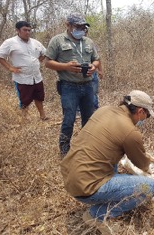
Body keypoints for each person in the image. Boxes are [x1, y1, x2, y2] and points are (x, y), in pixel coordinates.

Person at [60, 90, 154, 234]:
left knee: (112, 152)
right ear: (140, 111)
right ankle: (96, 215)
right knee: (149, 187)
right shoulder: (130, 132)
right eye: (147, 116)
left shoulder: (103, 110)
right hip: (86, 188)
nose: (145, 119)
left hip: (69, 177)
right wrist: (150, 161)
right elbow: (143, 165)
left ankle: (103, 195)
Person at [44, 12, 100, 156]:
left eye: (83, 27)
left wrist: (94, 67)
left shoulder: (88, 42)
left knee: (89, 119)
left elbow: (96, 59)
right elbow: (48, 62)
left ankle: (86, 148)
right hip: (69, 87)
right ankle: (64, 150)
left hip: (88, 86)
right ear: (67, 25)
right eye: (77, 26)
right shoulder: (57, 41)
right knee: (68, 119)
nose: (81, 29)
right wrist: (66, 67)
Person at [0, 21, 48, 120]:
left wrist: (38, 61)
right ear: (18, 30)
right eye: (25, 30)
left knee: (39, 97)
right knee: (25, 100)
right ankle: (24, 120)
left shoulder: (35, 42)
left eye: (29, 30)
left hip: (37, 76)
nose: (27, 32)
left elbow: (44, 52)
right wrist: (10, 67)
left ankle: (43, 116)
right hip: (22, 78)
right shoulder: (10, 42)